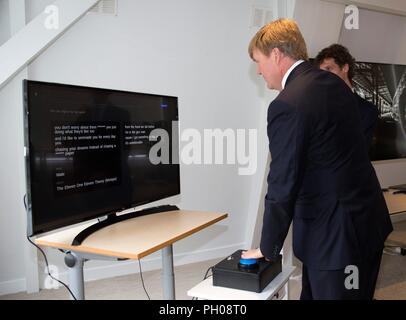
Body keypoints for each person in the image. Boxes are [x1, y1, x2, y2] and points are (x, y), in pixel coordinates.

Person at [242, 19, 393, 300]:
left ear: (276, 54)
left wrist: (267, 247)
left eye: (258, 61)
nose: (259, 71)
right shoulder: (333, 85)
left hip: (335, 240)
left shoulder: (287, 104)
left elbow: (282, 181)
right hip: (366, 222)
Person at [314, 44, 378, 148]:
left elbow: (356, 151)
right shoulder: (316, 107)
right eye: (321, 72)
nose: (323, 76)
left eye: (329, 69)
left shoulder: (367, 111)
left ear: (345, 68)